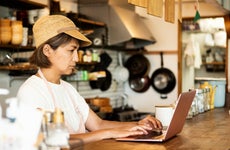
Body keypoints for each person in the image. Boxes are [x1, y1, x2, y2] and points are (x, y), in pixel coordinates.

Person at [17, 15, 162, 144]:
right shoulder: (31, 92)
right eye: (71, 50)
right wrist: (108, 133)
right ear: (47, 50)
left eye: (77, 51)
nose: (76, 58)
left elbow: (98, 124)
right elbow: (54, 141)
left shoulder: (68, 88)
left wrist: (138, 124)